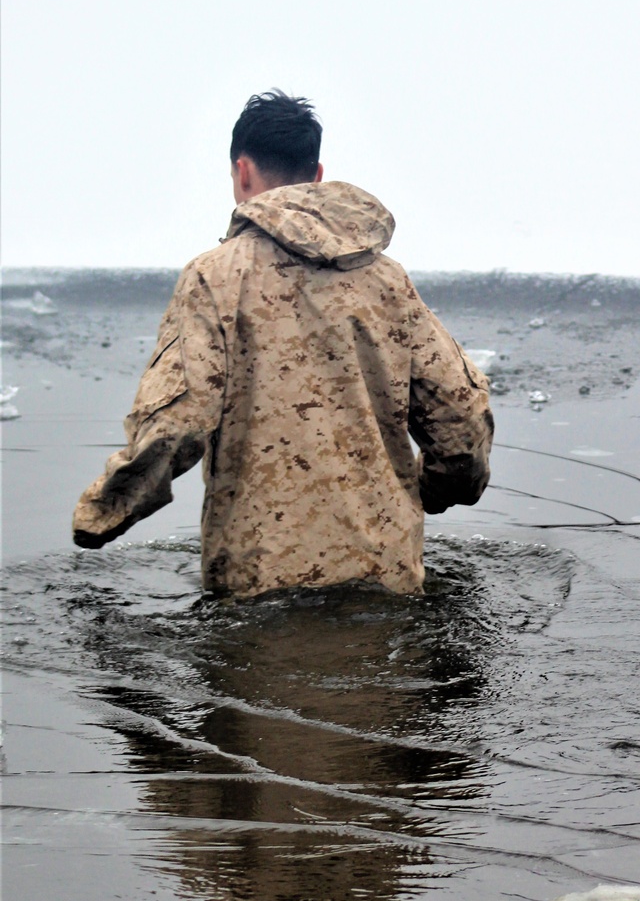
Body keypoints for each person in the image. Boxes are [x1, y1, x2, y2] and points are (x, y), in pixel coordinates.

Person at [72, 90, 493, 597]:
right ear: (317, 175)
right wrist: (430, 493)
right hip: (384, 575)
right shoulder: (387, 281)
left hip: (258, 580)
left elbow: (178, 425)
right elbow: (460, 420)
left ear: (242, 172)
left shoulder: (214, 279)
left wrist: (102, 514)